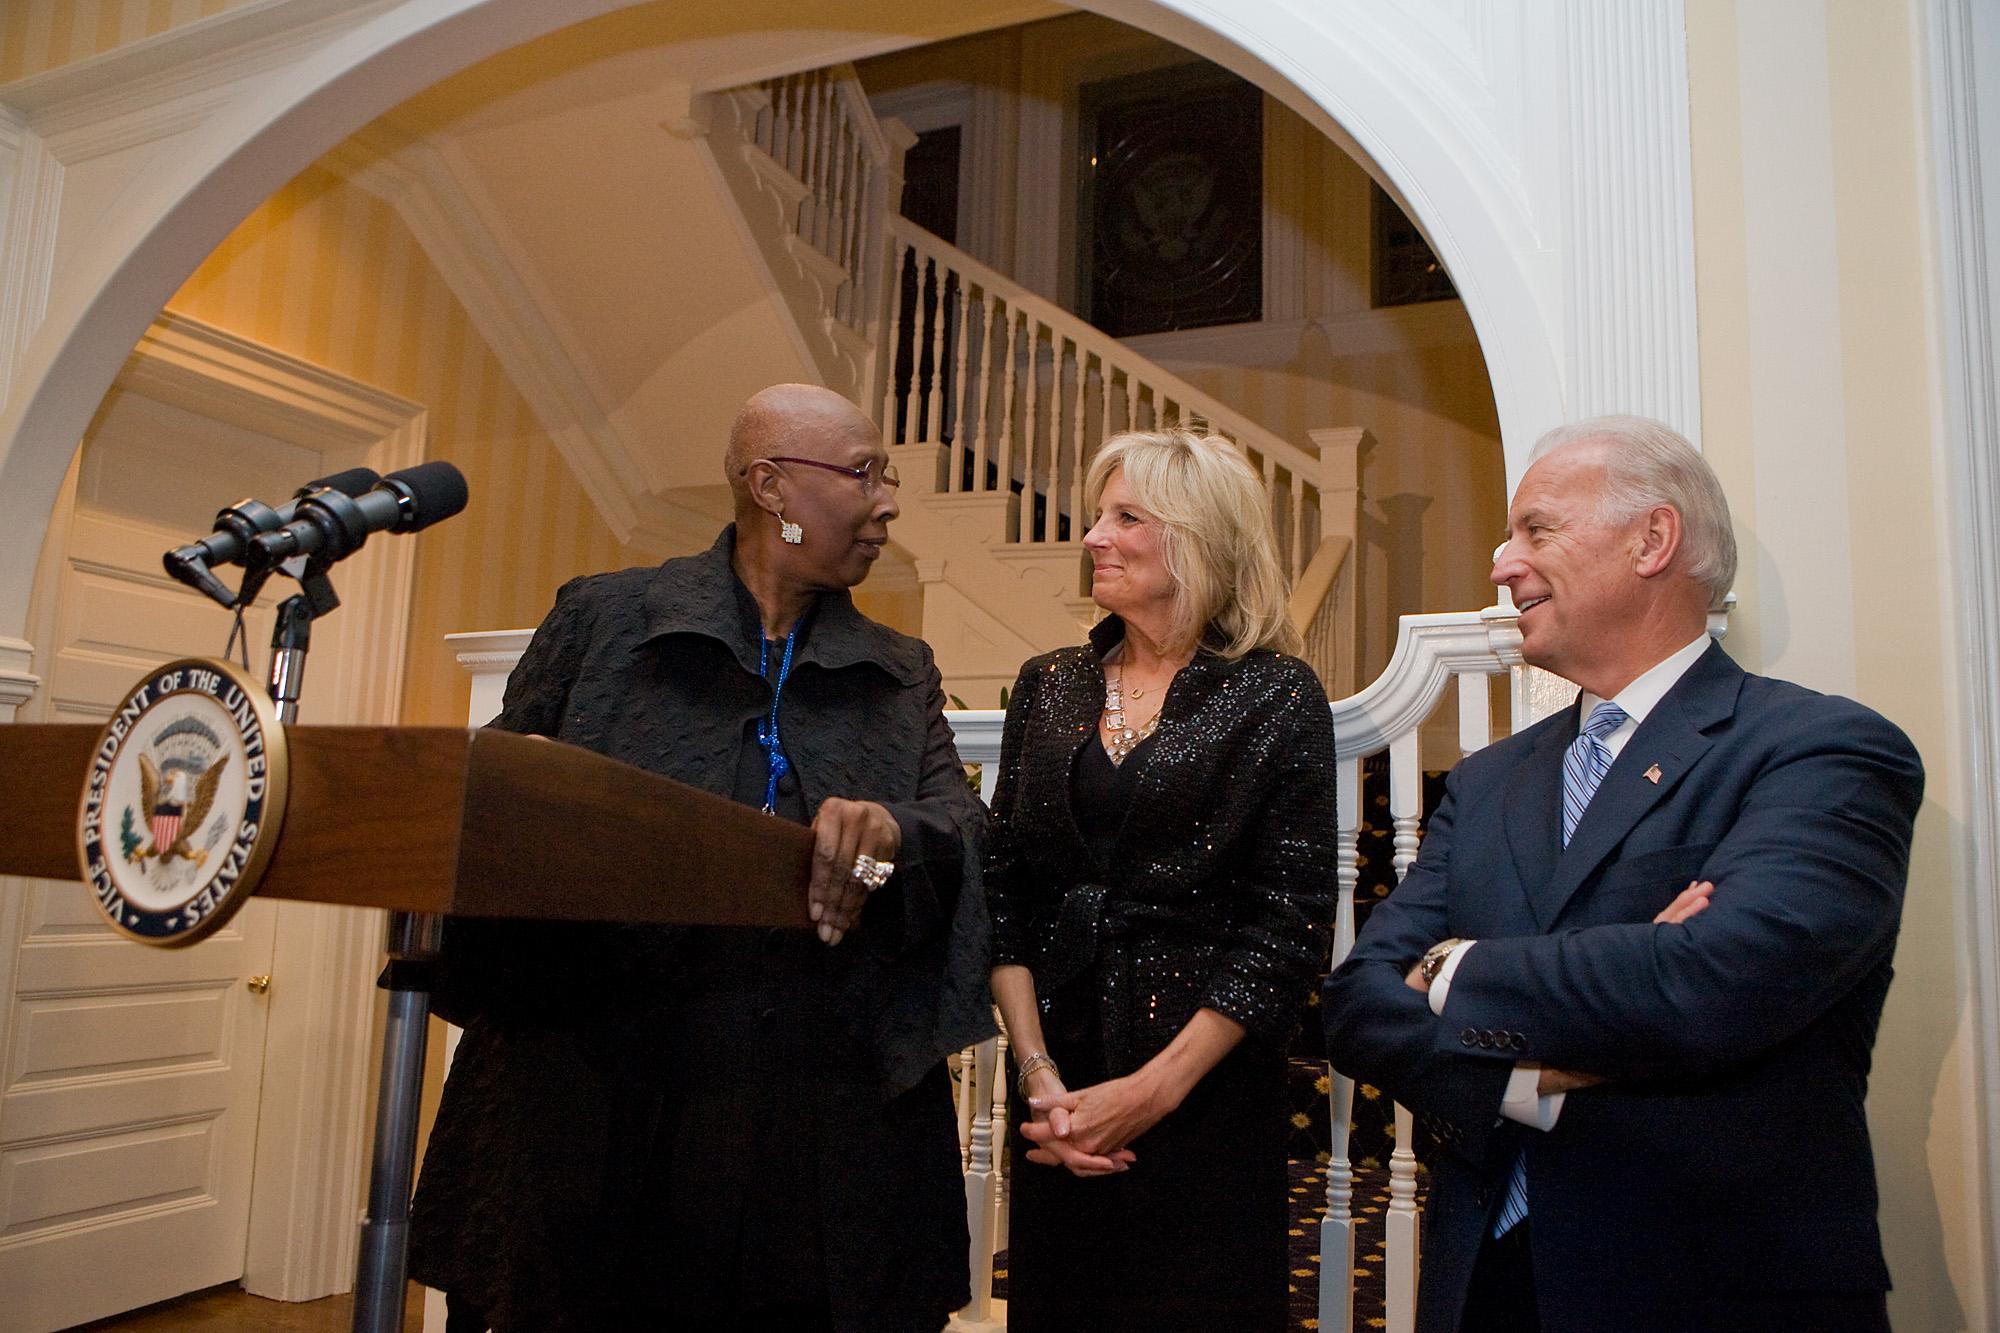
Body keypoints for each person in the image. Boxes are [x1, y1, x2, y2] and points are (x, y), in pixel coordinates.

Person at [408, 384, 993, 1333]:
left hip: (818, 1139)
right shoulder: (605, 623)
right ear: (771, 487)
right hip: (597, 1118)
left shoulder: (900, 669)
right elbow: (493, 813)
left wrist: (892, 833)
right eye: (863, 472)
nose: (888, 500)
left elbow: (962, 832)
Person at [1321, 415, 1923, 1333]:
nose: (1499, 562)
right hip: (1484, 1284)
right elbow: (1358, 1002)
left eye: (1536, 529)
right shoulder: (1486, 782)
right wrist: (1524, 1079)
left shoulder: (1820, 750)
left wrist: (1449, 969)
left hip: (1713, 1287)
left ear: (1653, 540)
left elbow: (1713, 982)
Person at [982, 427, 1338, 1331]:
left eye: (1126, 516)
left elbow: (1287, 923)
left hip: (1202, 1089)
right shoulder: (1048, 682)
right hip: (1055, 1087)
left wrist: (1152, 1093)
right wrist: (1038, 1077)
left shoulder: (1275, 693)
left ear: (1200, 541)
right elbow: (1004, 889)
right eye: (1099, 515)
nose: (1094, 535)